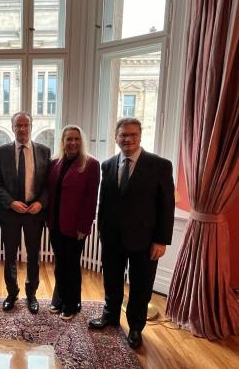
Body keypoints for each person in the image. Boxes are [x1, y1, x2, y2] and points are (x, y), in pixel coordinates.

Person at [88, 118, 175, 349]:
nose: (128, 139)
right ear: (116, 137)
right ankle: (110, 316)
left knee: (141, 285)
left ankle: (136, 327)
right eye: (123, 135)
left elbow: (167, 205)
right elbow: (104, 202)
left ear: (140, 136)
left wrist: (161, 240)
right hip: (112, 238)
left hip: (145, 241)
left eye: (132, 134)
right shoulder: (107, 165)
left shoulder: (160, 165)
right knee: (112, 281)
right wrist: (102, 232)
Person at [0, 112, 51, 313]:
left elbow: (48, 185)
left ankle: (31, 294)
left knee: (34, 255)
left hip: (34, 213)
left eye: (26, 125)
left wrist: (41, 203)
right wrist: (11, 203)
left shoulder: (44, 151)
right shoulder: (0, 152)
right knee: (10, 255)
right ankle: (12, 293)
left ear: (31, 126)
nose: (22, 129)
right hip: (10, 213)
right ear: (12, 127)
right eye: (18, 125)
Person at [46, 125, 100, 320]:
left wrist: (84, 227)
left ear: (81, 141)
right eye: (69, 139)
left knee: (71, 264)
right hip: (55, 224)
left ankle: (72, 303)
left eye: (76, 139)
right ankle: (59, 298)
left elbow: (91, 198)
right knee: (60, 263)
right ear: (63, 141)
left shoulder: (91, 164)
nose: (73, 143)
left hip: (75, 226)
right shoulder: (55, 163)